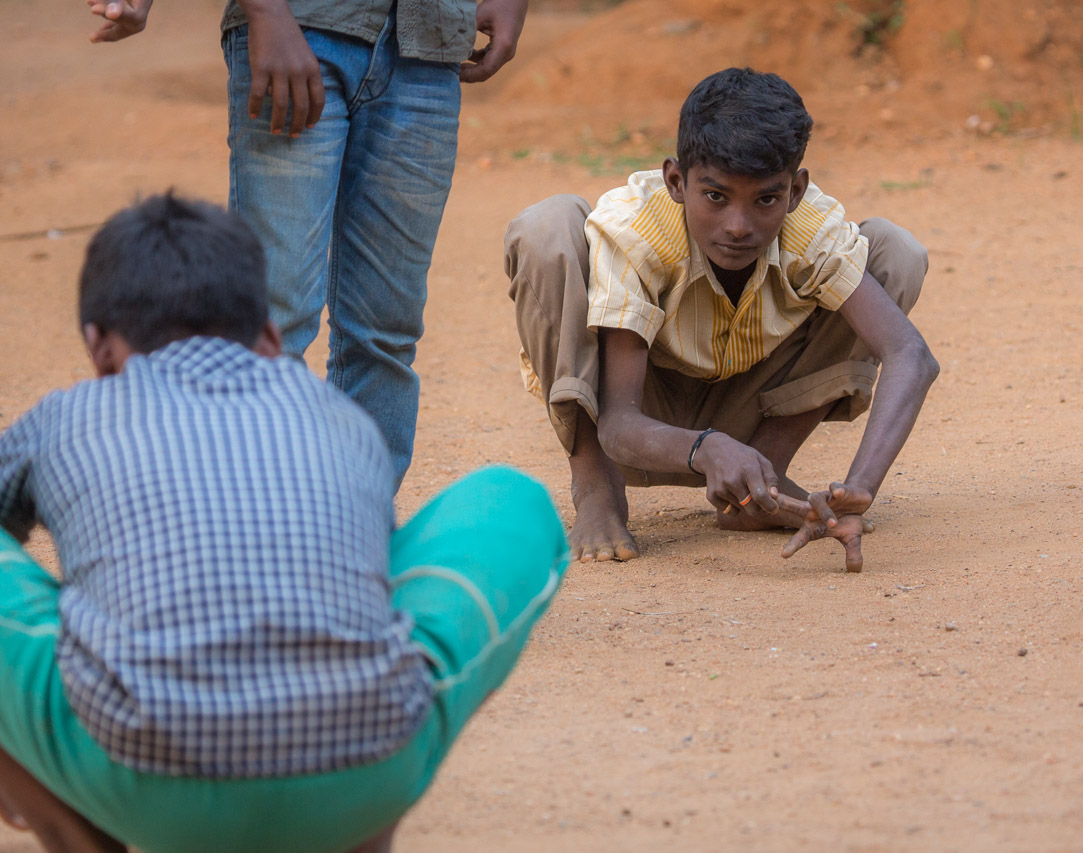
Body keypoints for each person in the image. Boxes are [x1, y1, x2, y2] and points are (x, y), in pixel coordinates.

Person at [0, 194, 568, 853]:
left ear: (99, 348)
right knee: (511, 501)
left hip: (142, 784)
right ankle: (361, 836)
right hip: (365, 777)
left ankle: (79, 835)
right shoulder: (340, 418)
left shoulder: (69, 415)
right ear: (269, 336)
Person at [505, 67, 939, 573]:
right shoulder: (639, 231)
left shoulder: (811, 230)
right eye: (715, 196)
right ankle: (597, 488)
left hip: (749, 411)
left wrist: (860, 487)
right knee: (546, 226)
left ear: (796, 192)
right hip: (636, 416)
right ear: (675, 181)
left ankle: (761, 486)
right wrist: (704, 447)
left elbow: (910, 354)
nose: (738, 226)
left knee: (894, 252)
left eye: (766, 200)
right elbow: (620, 423)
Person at [88, 0, 530, 489]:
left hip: (428, 42)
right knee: (274, 318)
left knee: (385, 331)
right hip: (301, 28)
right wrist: (266, 12)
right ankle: (254, 515)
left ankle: (357, 518)